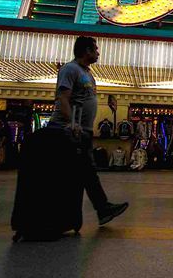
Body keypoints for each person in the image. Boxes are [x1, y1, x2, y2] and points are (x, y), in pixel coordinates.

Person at [47, 36, 128, 225]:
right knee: (84, 171)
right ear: (86, 51)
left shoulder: (87, 73)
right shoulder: (70, 69)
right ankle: (101, 209)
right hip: (67, 130)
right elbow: (63, 98)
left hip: (83, 131)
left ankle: (93, 211)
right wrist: (71, 123)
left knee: (83, 172)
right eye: (96, 49)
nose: (98, 53)